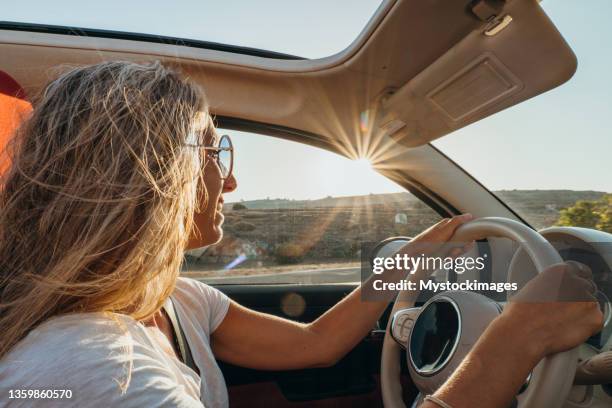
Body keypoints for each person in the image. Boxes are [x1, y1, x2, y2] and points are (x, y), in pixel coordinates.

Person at [0, 61, 603, 408]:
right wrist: (513, 341)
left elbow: (313, 346)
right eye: (216, 151)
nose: (230, 183)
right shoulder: (94, 369)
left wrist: (403, 266)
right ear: (158, 175)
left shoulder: (179, 300)